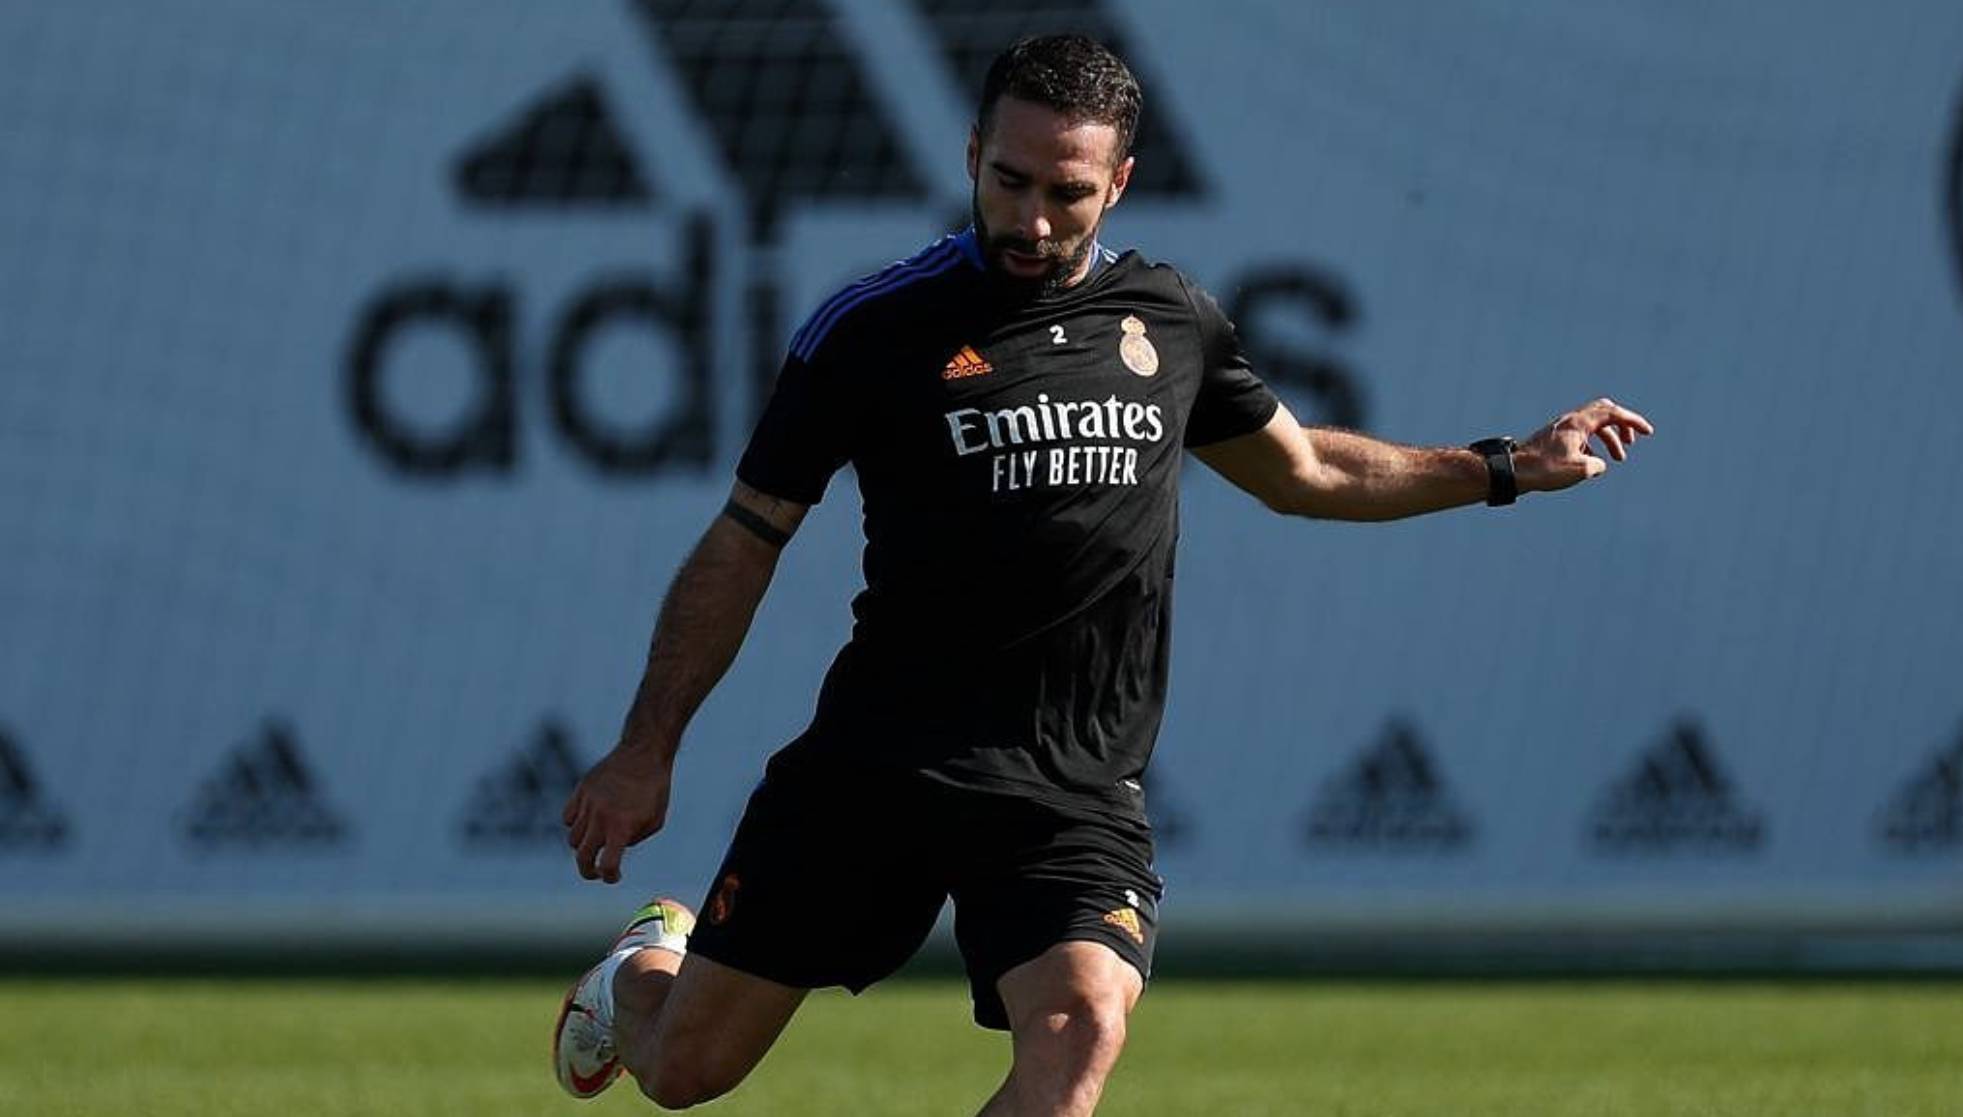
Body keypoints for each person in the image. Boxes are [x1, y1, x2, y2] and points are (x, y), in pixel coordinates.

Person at [552, 32, 1653, 1116]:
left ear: (1120, 181)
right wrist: (648, 748)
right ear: (972, 150)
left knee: (1081, 1027)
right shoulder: (872, 329)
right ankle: (645, 966)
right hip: (880, 764)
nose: (1032, 219)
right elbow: (747, 536)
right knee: (684, 1071)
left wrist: (1505, 464)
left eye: (1067, 193)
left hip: (1073, 784)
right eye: (1009, 179)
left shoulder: (1169, 320)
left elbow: (1307, 469)